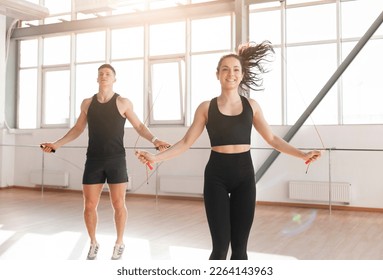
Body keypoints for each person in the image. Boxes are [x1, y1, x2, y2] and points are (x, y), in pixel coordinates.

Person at [135, 41, 321, 260]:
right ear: (217, 74)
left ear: (242, 75)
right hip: (216, 178)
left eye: (235, 69)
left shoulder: (252, 106)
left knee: (240, 251)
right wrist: (155, 158)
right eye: (225, 69)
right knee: (220, 249)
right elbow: (185, 142)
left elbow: (273, 139)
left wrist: (302, 154)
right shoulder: (206, 107)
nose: (230, 74)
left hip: (244, 178)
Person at [41, 63, 169, 260]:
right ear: (97, 79)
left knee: (118, 203)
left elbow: (139, 126)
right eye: (101, 73)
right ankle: (93, 243)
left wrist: (155, 140)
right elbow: (77, 129)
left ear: (114, 79)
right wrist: (56, 144)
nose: (104, 76)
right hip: (93, 160)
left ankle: (119, 242)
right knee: (89, 205)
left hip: (116, 160)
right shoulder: (87, 103)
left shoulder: (123, 102)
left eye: (108, 74)